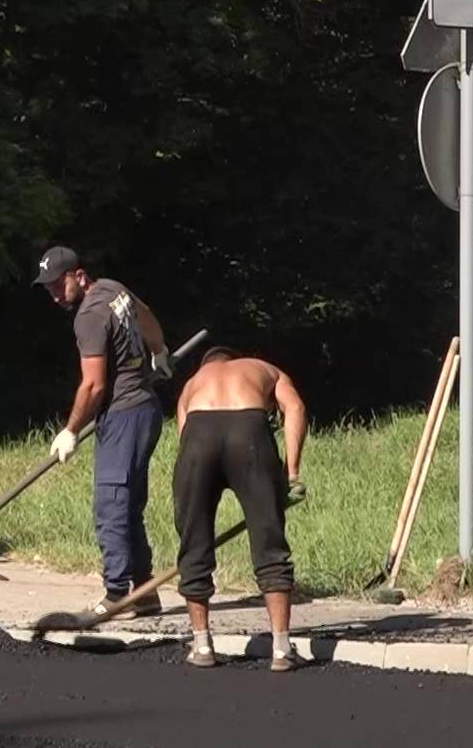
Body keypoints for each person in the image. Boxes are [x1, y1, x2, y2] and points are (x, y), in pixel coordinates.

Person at [36, 245, 172, 618]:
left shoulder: (89, 316)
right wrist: (158, 349)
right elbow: (144, 314)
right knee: (129, 506)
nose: (54, 295)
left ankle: (115, 594)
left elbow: (93, 386)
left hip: (124, 414)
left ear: (79, 276)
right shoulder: (113, 289)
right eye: (48, 288)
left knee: (110, 505)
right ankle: (144, 592)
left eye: (58, 285)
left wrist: (70, 430)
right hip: (146, 408)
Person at [172, 346, 308, 672]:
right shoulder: (265, 368)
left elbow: (183, 438)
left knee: (194, 542)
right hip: (249, 431)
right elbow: (296, 409)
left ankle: (202, 643)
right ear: (234, 361)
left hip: (197, 435)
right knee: (268, 538)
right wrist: (291, 472)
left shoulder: (192, 383)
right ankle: (281, 648)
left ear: (209, 366)